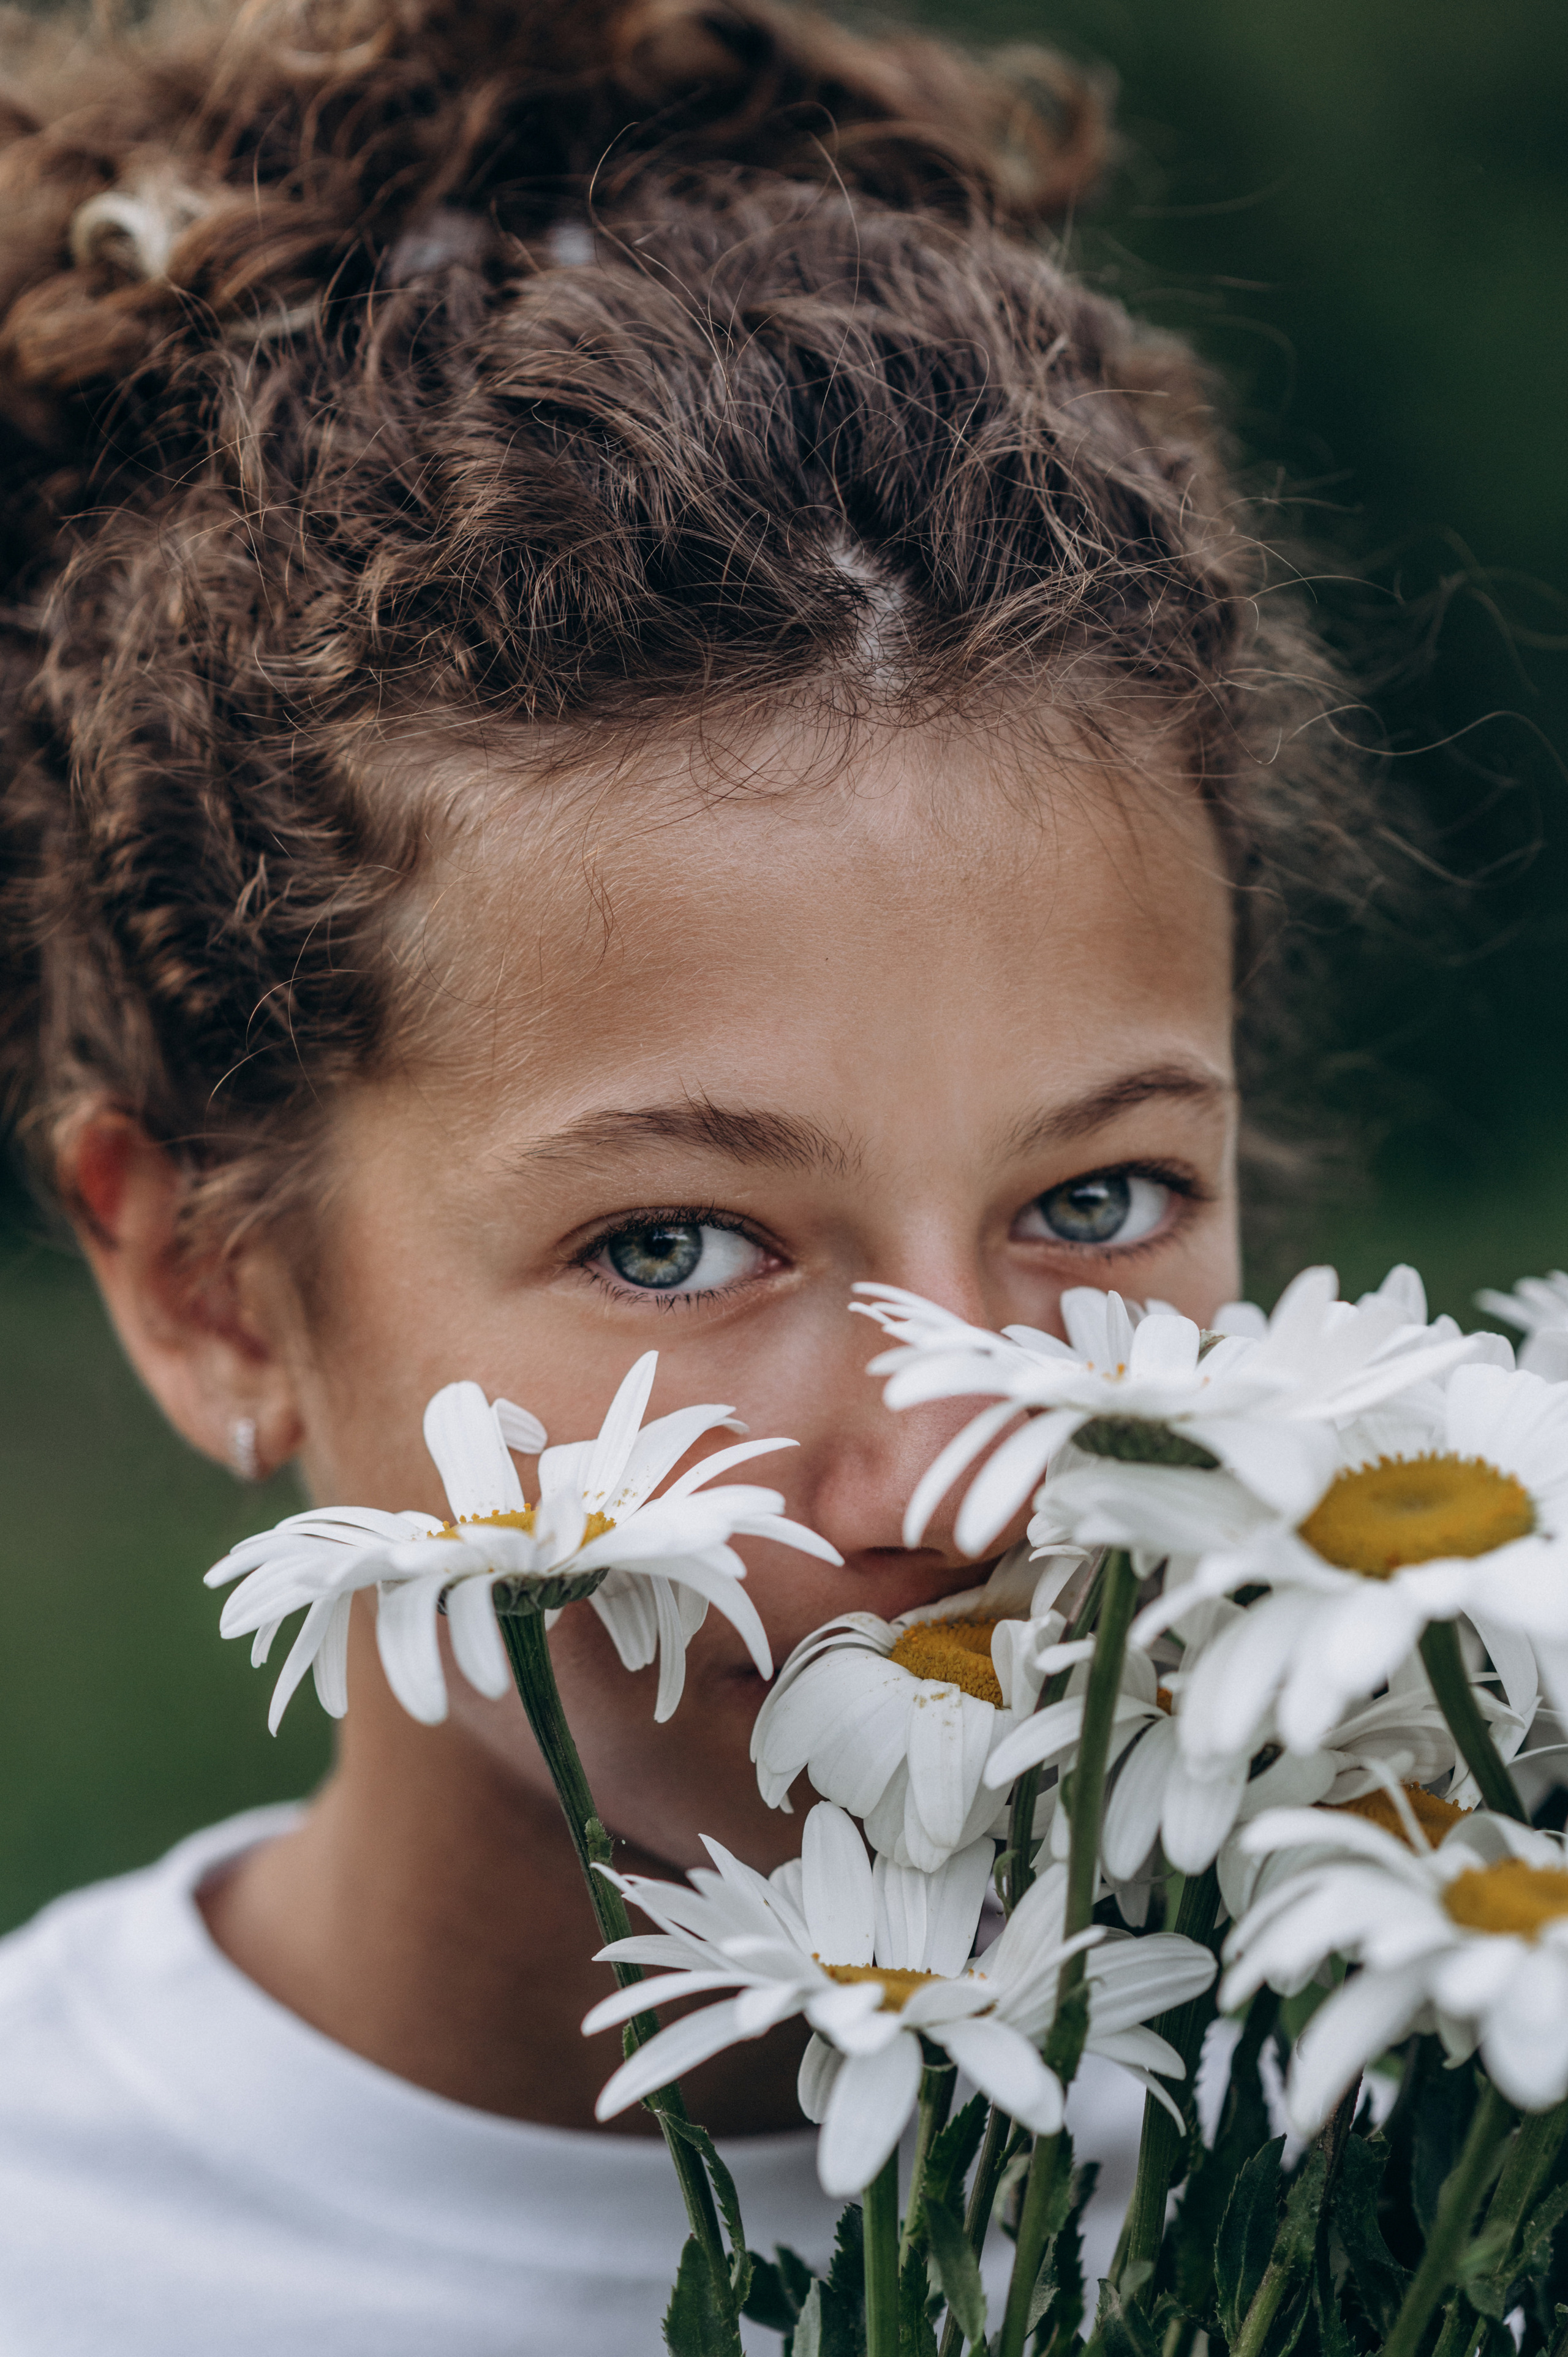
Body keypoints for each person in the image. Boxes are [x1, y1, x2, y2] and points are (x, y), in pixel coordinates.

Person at [0, 0, 1371, 2345]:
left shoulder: (1425, 2142)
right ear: (215, 1291)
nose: (958, 1466)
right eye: (675, 1242)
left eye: (1099, 1200)